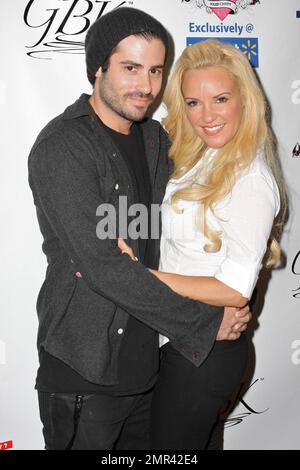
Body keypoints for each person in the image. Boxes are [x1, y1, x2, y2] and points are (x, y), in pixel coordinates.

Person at [28, 9, 250, 451]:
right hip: (84, 374)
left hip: (149, 370)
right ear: (98, 68)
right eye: (130, 68)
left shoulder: (156, 140)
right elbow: (104, 267)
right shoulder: (63, 148)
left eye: (154, 71)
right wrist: (206, 322)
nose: (146, 86)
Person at [118, 39, 286, 449]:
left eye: (221, 99)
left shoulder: (249, 179)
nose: (206, 115)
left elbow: (233, 289)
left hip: (204, 353)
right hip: (183, 339)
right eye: (193, 103)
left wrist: (143, 277)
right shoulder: (197, 156)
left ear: (245, 99)